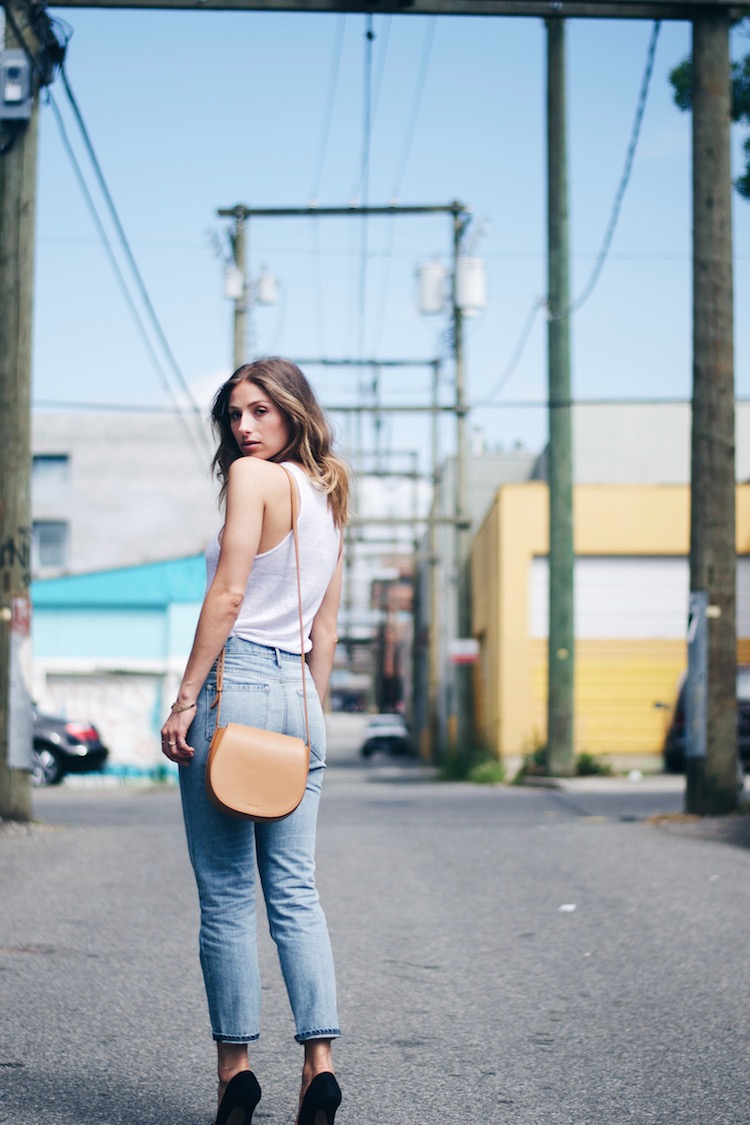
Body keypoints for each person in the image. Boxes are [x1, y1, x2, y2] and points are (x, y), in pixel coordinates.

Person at [160, 358, 348, 1125]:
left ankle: (235, 1072)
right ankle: (320, 1066)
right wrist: (310, 715)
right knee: (296, 890)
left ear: (293, 410)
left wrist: (184, 696)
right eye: (234, 415)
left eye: (260, 410)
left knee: (229, 891)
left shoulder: (251, 479)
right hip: (302, 698)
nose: (243, 428)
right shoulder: (331, 497)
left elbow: (229, 591)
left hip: (234, 685)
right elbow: (325, 630)